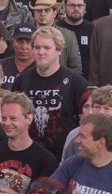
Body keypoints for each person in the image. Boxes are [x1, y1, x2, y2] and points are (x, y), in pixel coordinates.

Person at [11, 27, 88, 159]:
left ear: (59, 50)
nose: (41, 52)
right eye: (37, 47)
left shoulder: (75, 82)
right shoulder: (22, 80)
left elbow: (86, 123)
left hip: (64, 158)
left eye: (47, 48)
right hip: (28, 157)